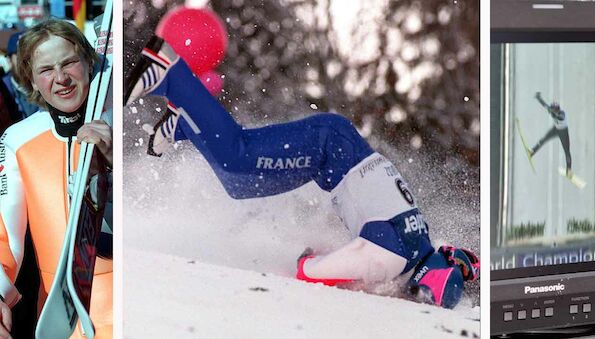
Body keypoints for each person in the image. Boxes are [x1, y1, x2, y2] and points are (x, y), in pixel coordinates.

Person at [126, 36, 479, 309]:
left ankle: (186, 121)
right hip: (327, 149)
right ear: (421, 282)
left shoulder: (421, 244)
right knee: (238, 159)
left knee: (240, 184)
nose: (411, 301)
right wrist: (317, 260)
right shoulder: (390, 260)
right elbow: (308, 272)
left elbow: (455, 256)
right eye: (420, 297)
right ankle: (168, 71)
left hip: (332, 151)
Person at [0, 19, 113, 338]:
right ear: (32, 80)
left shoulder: (119, 123)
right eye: (46, 69)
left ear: (88, 63)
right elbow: (4, 236)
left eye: (69, 62)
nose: (61, 78)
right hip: (59, 320)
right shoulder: (19, 140)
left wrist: (116, 165)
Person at [529, 91, 572, 177]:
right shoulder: (551, 110)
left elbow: (561, 116)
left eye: (555, 109)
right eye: (553, 109)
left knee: (566, 151)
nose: (554, 110)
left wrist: (555, 114)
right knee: (544, 139)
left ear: (557, 109)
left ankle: (569, 170)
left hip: (563, 132)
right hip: (555, 129)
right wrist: (538, 98)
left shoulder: (561, 113)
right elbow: (544, 105)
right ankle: (532, 151)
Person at [1, 31, 40, 121]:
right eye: (19, 55)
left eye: (30, 55)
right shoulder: (3, 91)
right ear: (9, 61)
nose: (25, 61)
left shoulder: (48, 82)